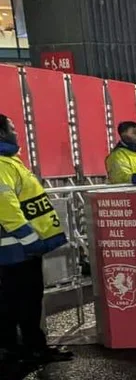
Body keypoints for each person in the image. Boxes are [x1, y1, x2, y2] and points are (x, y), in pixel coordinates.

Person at [0, 114, 71, 364]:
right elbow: (6, 208)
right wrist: (31, 240)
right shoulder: (2, 164)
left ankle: (18, 348)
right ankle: (28, 349)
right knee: (23, 300)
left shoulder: (11, 162)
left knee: (16, 300)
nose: (16, 132)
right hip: (15, 249)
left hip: (16, 249)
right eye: (12, 128)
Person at [106, 121, 136, 187]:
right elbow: (121, 177)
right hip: (135, 195)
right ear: (123, 135)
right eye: (135, 133)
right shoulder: (118, 156)